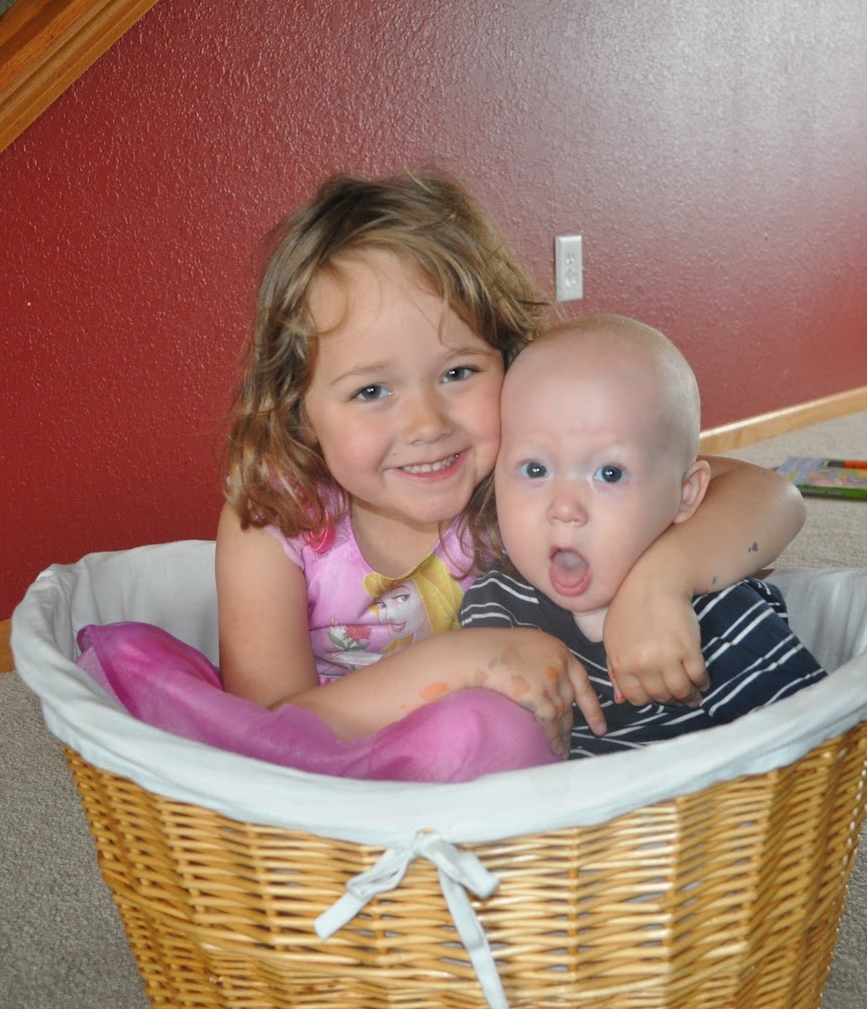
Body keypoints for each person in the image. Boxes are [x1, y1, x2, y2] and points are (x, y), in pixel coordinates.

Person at [86, 170, 808, 780]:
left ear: (508, 362)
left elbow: (770, 496)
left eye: (459, 372)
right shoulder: (276, 519)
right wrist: (464, 659)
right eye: (372, 390)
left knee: (504, 734)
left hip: (508, 787)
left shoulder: (525, 474)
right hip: (336, 790)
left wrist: (660, 581)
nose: (427, 423)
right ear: (298, 409)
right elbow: (269, 734)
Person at [459, 314, 828, 757]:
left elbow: (815, 753)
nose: (564, 508)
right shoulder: (493, 605)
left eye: (610, 473)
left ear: (684, 494)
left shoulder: (719, 619)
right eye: (535, 469)